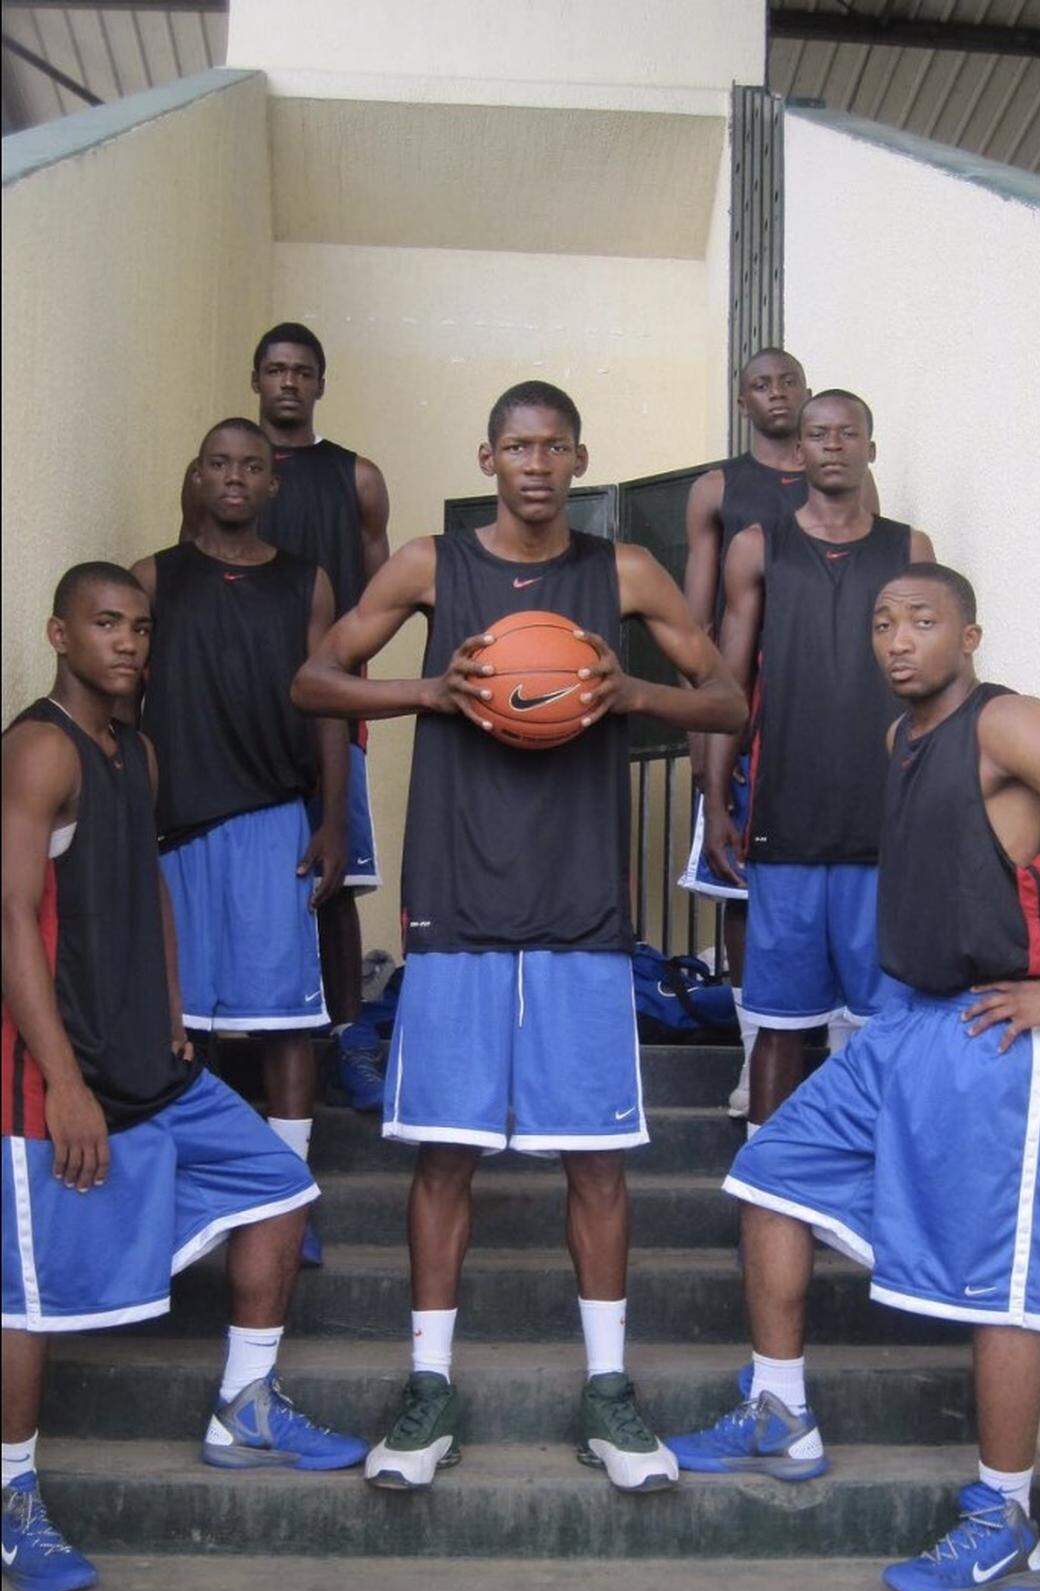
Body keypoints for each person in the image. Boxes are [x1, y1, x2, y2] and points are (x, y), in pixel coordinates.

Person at [291, 380, 748, 1494]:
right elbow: (313, 678)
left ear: (579, 458)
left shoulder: (622, 573)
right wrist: (430, 691)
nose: (536, 465)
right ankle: (429, 1385)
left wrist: (630, 686)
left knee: (595, 1157)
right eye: (516, 447)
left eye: (554, 448)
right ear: (486, 456)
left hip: (583, 912)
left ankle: (607, 1391)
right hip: (454, 904)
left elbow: (728, 699)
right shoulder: (426, 566)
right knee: (443, 1153)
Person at [667, 563, 1040, 1591]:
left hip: (997, 1037)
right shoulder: (901, 739)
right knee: (771, 1174)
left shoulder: (1007, 723)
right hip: (905, 1025)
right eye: (884, 621)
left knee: (1003, 1294)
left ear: (969, 634)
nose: (897, 639)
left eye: (922, 620)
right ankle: (780, 1411)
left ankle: (1002, 1517)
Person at [1, 564, 366, 1591]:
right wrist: (63, 1082)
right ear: (59, 633)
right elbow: (11, 920)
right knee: (24, 1303)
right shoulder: (37, 750)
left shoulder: (139, 752)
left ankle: (245, 1404)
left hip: (149, 1062)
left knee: (279, 1192)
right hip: (49, 1073)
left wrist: (167, 1008)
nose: (126, 642)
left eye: (139, 627)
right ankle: (13, 1494)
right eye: (105, 623)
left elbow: (148, 887)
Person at [136, 417, 349, 1266]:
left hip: (273, 819)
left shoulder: (308, 582)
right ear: (197, 477)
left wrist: (335, 819)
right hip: (177, 823)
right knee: (184, 1021)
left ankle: (287, 1192)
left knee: (283, 1022)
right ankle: (201, 1186)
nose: (234, 477)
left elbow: (331, 703)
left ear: (273, 485)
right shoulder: (155, 578)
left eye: (251, 466)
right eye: (218, 463)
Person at [703, 390, 934, 1127]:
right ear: (797, 453)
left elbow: (936, 688)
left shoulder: (909, 549)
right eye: (818, 435)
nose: (834, 445)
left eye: (849, 433)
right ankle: (767, 1195)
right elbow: (727, 688)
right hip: (787, 826)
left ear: (871, 446)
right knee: (781, 1026)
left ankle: (879, 1189)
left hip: (886, 831)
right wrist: (715, 797)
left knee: (888, 1030)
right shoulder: (757, 545)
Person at [183, 324, 392, 1103]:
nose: (288, 383)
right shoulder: (212, 476)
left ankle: (348, 1036)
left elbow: (384, 597)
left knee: (333, 879)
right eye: (274, 368)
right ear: (254, 376)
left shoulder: (355, 478)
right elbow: (189, 589)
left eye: (303, 371)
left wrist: (345, 683)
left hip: (325, 712)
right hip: (231, 721)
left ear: (321, 383)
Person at [680, 352, 882, 1114]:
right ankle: (752, 1071)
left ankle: (844, 1099)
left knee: (866, 963)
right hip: (767, 745)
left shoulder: (889, 533)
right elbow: (703, 636)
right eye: (762, 384)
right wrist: (708, 766)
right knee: (745, 900)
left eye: (788, 382)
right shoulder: (729, 504)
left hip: (859, 768)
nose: (778, 395)